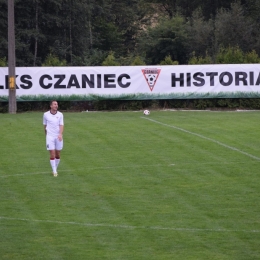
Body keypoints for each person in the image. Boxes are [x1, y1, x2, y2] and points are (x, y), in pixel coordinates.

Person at [43, 100, 64, 177]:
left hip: (58, 136)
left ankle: (54, 169)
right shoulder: (45, 115)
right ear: (51, 106)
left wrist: (60, 134)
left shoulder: (60, 115)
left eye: (57, 104)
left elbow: (61, 125)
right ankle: (55, 172)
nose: (56, 105)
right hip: (50, 136)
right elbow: (45, 126)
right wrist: (46, 135)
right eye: (55, 104)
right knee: (52, 153)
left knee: (58, 154)